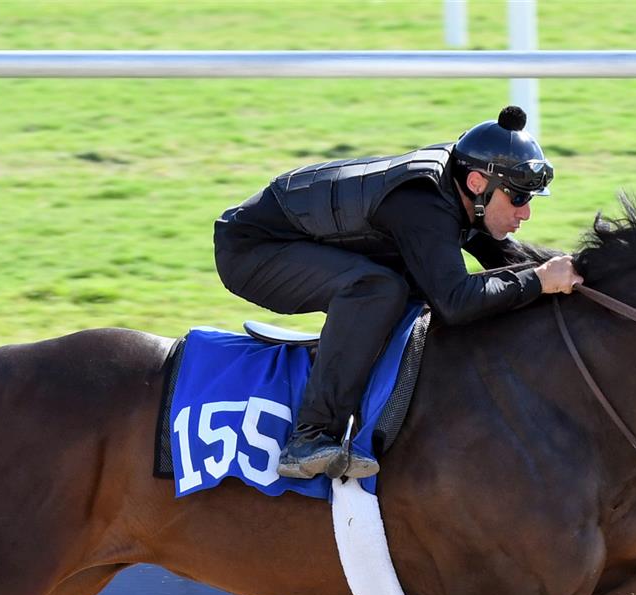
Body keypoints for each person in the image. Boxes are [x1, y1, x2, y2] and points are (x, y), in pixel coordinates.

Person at [213, 106, 583, 481]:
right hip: (252, 250)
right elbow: (457, 302)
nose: (527, 213)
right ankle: (311, 436)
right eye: (519, 198)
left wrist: (580, 272)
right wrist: (538, 281)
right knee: (378, 289)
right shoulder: (424, 204)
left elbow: (509, 264)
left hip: (292, 235)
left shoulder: (462, 188)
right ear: (476, 183)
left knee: (406, 284)